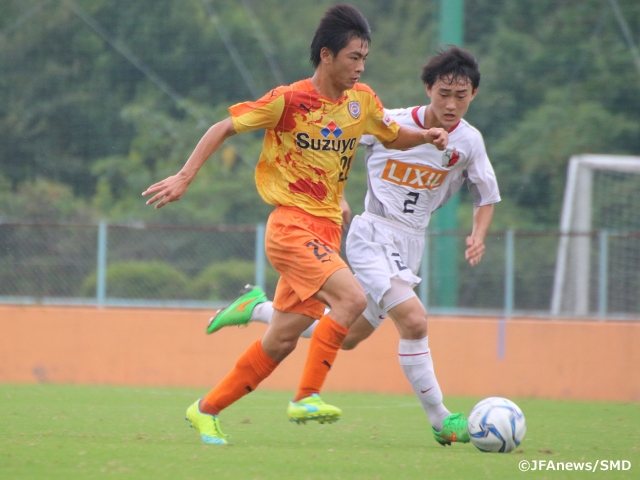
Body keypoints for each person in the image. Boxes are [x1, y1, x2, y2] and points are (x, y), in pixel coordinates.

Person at [142, 4, 448, 445]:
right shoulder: (288, 100)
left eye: (364, 58)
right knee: (352, 298)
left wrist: (426, 136)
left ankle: (205, 410)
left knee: (282, 340)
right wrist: (184, 176)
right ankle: (307, 396)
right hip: (290, 227)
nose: (360, 67)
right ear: (326, 55)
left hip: (326, 232)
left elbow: (390, 134)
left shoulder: (361, 102)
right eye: (353, 58)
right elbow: (222, 127)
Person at [206, 46, 501, 446]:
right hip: (373, 235)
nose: (451, 104)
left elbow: (486, 196)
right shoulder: (389, 121)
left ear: (474, 95)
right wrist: (334, 194)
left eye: (461, 96)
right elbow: (333, 143)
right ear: (428, 88)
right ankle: (441, 420)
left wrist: (477, 235)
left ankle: (257, 309)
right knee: (414, 320)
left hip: (412, 244)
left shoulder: (470, 142)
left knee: (348, 337)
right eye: (443, 93)